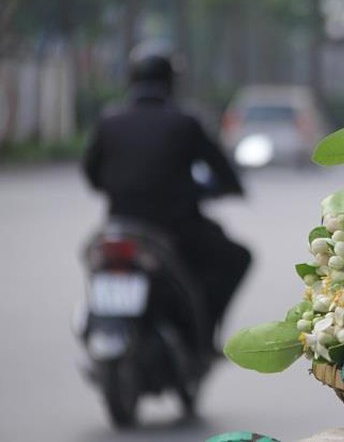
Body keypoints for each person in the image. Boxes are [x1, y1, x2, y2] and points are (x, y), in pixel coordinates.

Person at [82, 45, 251, 349]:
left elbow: (92, 176)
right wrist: (219, 189)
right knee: (238, 257)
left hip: (120, 226)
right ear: (171, 81)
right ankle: (204, 338)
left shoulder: (110, 120)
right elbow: (223, 173)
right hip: (177, 230)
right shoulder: (185, 122)